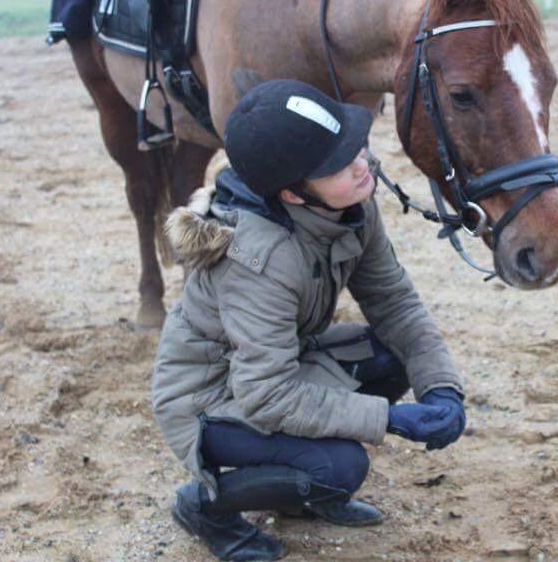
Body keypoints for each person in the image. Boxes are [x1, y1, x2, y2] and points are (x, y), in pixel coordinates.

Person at [152, 79, 467, 562]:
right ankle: (205, 507)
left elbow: (395, 304)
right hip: (209, 398)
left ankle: (297, 497)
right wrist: (391, 419)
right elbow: (267, 395)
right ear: (294, 195)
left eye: (356, 146)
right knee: (338, 466)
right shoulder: (259, 259)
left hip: (274, 366)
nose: (362, 165)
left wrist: (441, 388)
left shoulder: (351, 203)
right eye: (339, 165)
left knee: (393, 354)